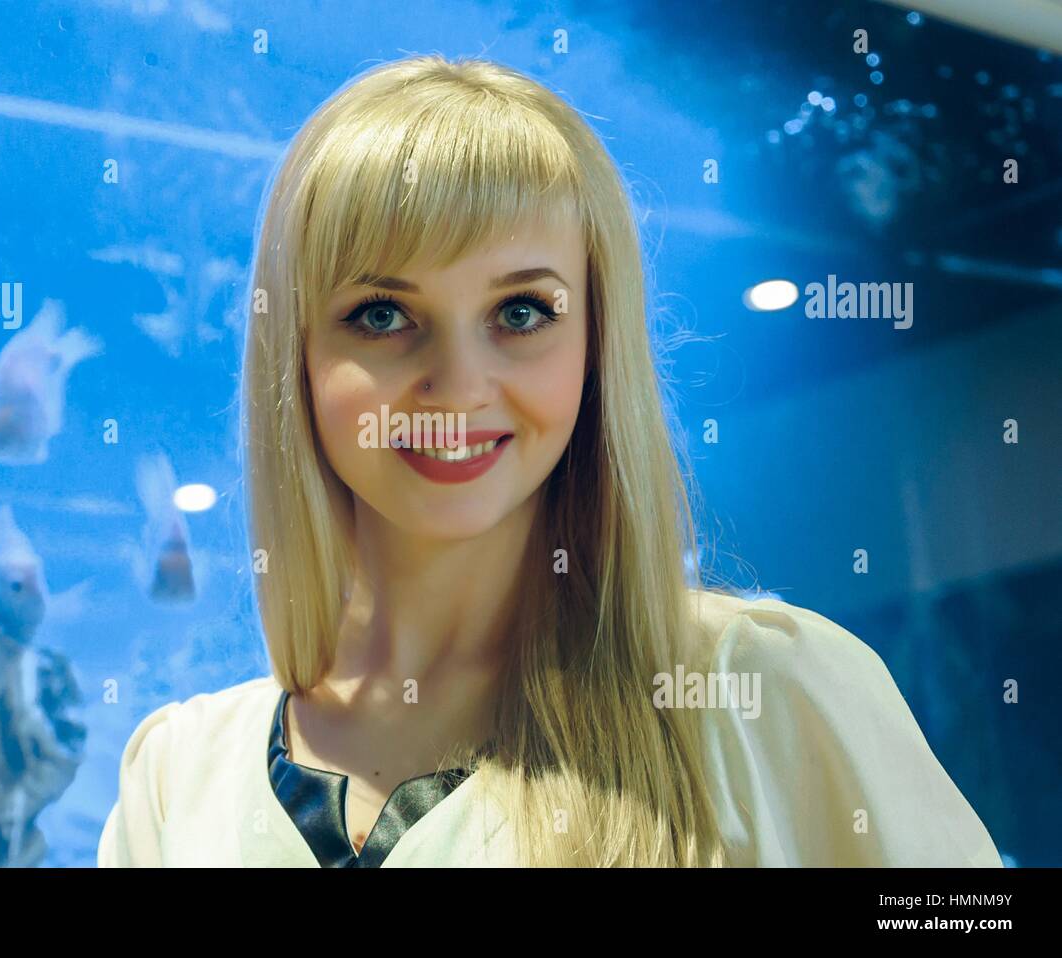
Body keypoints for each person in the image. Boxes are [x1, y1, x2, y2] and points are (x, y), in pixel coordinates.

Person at [98, 54, 1001, 868]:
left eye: (521, 312)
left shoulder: (763, 695)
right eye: (382, 314)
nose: (457, 386)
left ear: (597, 345)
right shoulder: (179, 779)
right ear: (294, 355)